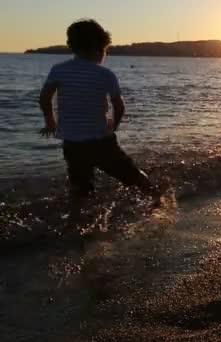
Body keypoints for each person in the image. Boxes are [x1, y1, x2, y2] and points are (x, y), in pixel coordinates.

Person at [38, 19, 158, 222]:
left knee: (79, 185)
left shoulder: (59, 69)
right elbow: (119, 106)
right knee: (132, 174)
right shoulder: (105, 74)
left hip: (73, 142)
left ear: (72, 46)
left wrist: (50, 122)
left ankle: (74, 223)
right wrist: (114, 127)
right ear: (98, 48)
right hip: (101, 141)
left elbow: (44, 97)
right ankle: (158, 202)